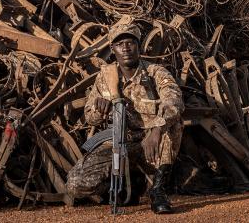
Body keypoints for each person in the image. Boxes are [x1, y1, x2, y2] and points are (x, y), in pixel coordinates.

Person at [65, 21, 184, 214]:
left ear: (138, 46)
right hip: (119, 139)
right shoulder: (105, 77)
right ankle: (123, 188)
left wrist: (156, 130)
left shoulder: (155, 72)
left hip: (151, 142)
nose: (126, 48)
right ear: (113, 49)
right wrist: (99, 109)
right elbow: (89, 118)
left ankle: (158, 190)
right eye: (120, 44)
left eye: (130, 42)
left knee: (173, 123)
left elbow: (174, 102)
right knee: (75, 184)